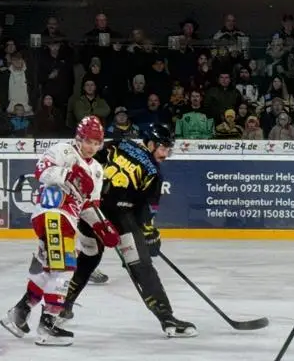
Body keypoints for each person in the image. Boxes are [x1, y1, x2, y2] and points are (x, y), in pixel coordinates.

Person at [57, 123, 195, 338]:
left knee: (88, 259)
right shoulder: (154, 173)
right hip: (121, 218)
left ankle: (61, 308)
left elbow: (91, 161)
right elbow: (146, 210)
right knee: (141, 266)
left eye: (169, 149)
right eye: (163, 148)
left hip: (91, 212)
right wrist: (150, 236)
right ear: (151, 144)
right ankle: (167, 319)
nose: (166, 154)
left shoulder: (119, 144)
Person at [0, 116, 117, 346]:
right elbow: (41, 171)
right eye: (88, 141)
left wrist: (102, 226)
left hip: (67, 220)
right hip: (52, 214)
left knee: (49, 269)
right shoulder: (63, 151)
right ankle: (47, 326)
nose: (92, 147)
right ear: (79, 138)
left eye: (96, 143)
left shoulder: (96, 170)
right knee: (65, 268)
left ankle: (19, 313)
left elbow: (89, 206)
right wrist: (68, 174)